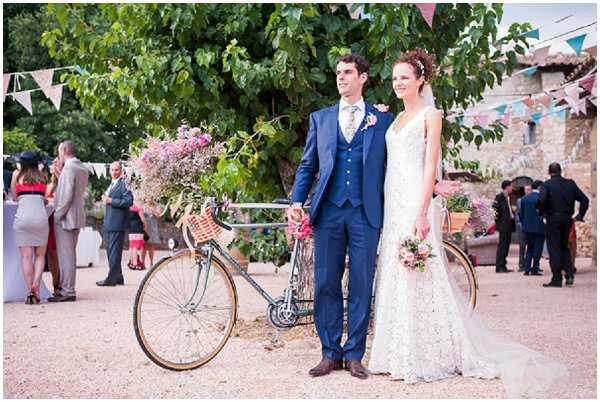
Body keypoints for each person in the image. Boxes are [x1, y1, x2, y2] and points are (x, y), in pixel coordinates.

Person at [366, 49, 568, 398]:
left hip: (415, 197)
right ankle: (395, 350)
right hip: (392, 199)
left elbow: (431, 165)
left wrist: (423, 208)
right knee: (396, 269)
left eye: (404, 78)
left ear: (421, 81)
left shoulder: (432, 114)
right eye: (395, 78)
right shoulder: (394, 118)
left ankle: (428, 354)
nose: (398, 83)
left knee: (421, 268)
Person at [289, 53, 455, 380]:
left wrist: (432, 185)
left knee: (363, 284)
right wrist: (297, 200)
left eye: (348, 72)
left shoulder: (383, 120)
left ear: (363, 77)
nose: (341, 78)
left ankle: (354, 354)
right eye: (338, 72)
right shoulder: (320, 119)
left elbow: (404, 161)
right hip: (329, 213)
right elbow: (309, 165)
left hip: (367, 213)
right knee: (326, 283)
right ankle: (329, 353)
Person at [48, 140, 89, 302]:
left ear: (64, 150)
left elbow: (66, 196)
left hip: (66, 218)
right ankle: (67, 289)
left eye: (59, 151)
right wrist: (60, 174)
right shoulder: (81, 168)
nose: (59, 155)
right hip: (77, 216)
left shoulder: (69, 168)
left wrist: (57, 216)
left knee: (66, 256)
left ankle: (67, 291)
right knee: (69, 255)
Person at [537, 162, 589, 288]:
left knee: (554, 248)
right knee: (564, 246)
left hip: (553, 218)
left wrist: (541, 212)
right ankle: (569, 274)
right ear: (560, 171)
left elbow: (542, 201)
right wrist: (580, 215)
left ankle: (557, 278)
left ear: (550, 172)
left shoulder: (546, 185)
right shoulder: (570, 184)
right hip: (567, 219)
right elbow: (585, 200)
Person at [10, 151, 49, 304]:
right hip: (40, 219)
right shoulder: (42, 176)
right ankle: (36, 285)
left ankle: (29, 291)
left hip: (22, 219)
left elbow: (14, 197)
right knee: (40, 256)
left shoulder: (16, 175)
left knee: (26, 257)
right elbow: (43, 197)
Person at [96, 161, 133, 286]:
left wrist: (111, 200)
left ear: (121, 170)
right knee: (110, 250)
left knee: (114, 252)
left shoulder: (124, 184)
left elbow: (129, 201)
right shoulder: (112, 184)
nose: (114, 172)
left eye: (116, 170)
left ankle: (111, 279)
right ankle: (118, 276)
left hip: (117, 223)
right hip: (109, 222)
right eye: (112, 170)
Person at [45, 156, 64, 295]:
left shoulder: (68, 181)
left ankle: (63, 284)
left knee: (62, 254)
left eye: (59, 165)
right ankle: (55, 283)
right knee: (52, 253)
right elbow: (46, 200)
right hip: (50, 221)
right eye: (55, 166)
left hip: (63, 221)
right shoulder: (50, 186)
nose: (56, 168)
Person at [519, 180, 545, 276]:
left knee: (529, 248)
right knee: (538, 248)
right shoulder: (541, 198)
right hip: (539, 227)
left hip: (527, 227)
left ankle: (526, 269)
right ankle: (535, 268)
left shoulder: (524, 199)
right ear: (539, 188)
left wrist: (525, 223)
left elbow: (521, 214)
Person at [493, 180, 516, 273]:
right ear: (507, 187)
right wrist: (499, 222)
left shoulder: (509, 197)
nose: (512, 188)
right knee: (502, 246)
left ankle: (503, 265)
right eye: (511, 186)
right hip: (503, 225)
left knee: (506, 246)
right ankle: (499, 266)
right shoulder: (499, 197)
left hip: (509, 224)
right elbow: (495, 210)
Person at [516, 184, 531, 272]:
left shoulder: (534, 200)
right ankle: (521, 265)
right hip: (522, 226)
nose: (528, 191)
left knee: (531, 246)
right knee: (522, 246)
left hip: (530, 226)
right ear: (524, 191)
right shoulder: (519, 201)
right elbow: (517, 213)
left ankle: (529, 265)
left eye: (529, 189)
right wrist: (519, 223)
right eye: (526, 190)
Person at [128, 200, 147, 270]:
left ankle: (132, 262)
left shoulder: (129, 207)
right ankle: (136, 264)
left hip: (131, 227)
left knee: (131, 246)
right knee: (136, 246)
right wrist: (146, 224)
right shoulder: (138, 207)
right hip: (137, 227)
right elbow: (142, 219)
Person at [142, 202, 162, 268]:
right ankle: (143, 263)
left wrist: (153, 209)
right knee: (144, 246)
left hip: (153, 228)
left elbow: (158, 215)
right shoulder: (143, 204)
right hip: (145, 227)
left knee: (151, 245)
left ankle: (151, 263)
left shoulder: (157, 205)